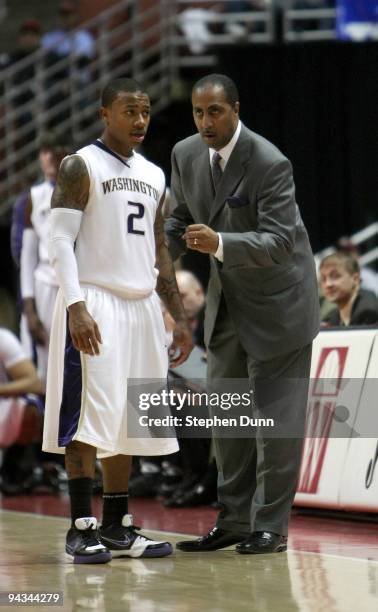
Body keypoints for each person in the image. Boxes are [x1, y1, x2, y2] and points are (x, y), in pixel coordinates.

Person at [166, 73, 319, 554]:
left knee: (275, 424)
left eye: (215, 112)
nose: (205, 122)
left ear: (235, 109)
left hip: (279, 305)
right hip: (226, 302)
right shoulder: (186, 154)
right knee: (228, 419)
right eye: (197, 112)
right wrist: (156, 259)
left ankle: (270, 527)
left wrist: (220, 243)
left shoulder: (270, 161)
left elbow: (280, 241)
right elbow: (177, 215)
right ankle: (233, 520)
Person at [42, 77, 193, 564]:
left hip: (142, 305)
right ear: (105, 113)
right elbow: (60, 241)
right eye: (130, 110)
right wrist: (75, 304)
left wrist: (179, 317)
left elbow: (159, 249)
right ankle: (80, 524)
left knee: (130, 419)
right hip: (96, 300)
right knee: (89, 415)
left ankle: (116, 525)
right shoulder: (78, 165)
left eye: (145, 111)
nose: (140, 120)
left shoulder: (153, 174)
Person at [20, 134, 71, 385]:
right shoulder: (33, 197)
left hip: (76, 284)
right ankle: (45, 421)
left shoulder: (83, 191)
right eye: (45, 151)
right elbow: (27, 257)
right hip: (45, 286)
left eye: (57, 149)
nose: (51, 157)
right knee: (45, 368)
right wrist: (29, 308)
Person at [319, 252, 378, 326]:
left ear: (355, 279)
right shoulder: (333, 315)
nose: (328, 284)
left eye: (335, 276)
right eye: (323, 279)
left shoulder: (368, 311)